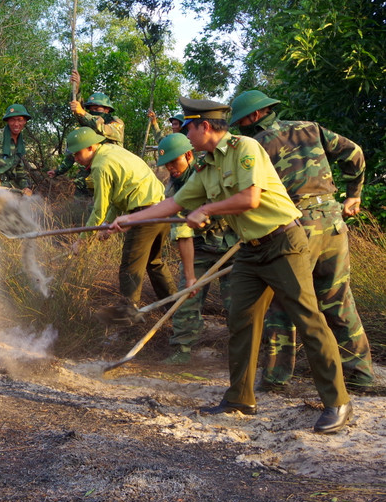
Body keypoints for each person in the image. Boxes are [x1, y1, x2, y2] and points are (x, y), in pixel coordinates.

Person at [109, 98, 352, 434]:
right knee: (241, 322)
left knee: (308, 320)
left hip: (283, 243)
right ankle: (240, 397)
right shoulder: (205, 167)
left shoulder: (245, 148)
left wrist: (207, 210)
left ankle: (337, 402)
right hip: (250, 252)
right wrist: (128, 219)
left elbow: (250, 198)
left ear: (204, 126)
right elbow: (174, 203)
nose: (185, 135)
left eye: (187, 128)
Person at [229, 90, 374, 391]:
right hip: (332, 219)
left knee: (285, 299)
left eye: (241, 119)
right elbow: (355, 153)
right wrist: (354, 194)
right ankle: (361, 374)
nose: (239, 125)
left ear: (254, 116)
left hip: (296, 224)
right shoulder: (312, 128)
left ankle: (276, 378)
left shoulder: (254, 145)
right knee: (338, 297)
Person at [65, 126, 177, 317]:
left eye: (78, 153)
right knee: (154, 262)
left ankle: (128, 317)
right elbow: (118, 198)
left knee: (129, 267)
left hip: (145, 212)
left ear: (91, 147)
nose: (76, 159)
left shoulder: (100, 166)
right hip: (162, 209)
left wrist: (82, 241)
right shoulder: (112, 151)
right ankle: (177, 309)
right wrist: (107, 227)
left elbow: (99, 209)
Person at [156, 133, 238, 365]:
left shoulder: (210, 171)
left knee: (237, 304)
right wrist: (191, 276)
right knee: (186, 299)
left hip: (232, 246)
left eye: (175, 161)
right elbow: (183, 234)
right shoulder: (173, 190)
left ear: (189, 155)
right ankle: (181, 350)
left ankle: (240, 351)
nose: (171, 168)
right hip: (199, 248)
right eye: (167, 164)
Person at [48, 74, 125, 186]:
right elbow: (73, 154)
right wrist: (76, 88)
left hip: (111, 171)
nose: (93, 112)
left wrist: (83, 113)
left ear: (107, 109)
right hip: (91, 171)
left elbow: (101, 128)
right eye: (91, 109)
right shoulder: (88, 127)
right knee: (80, 187)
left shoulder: (116, 123)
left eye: (97, 109)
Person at [0, 104, 33, 194]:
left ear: (25, 121)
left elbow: (20, 170)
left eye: (20, 120)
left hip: (8, 186)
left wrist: (25, 187)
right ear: (7, 121)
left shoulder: (20, 143)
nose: (16, 124)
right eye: (12, 120)